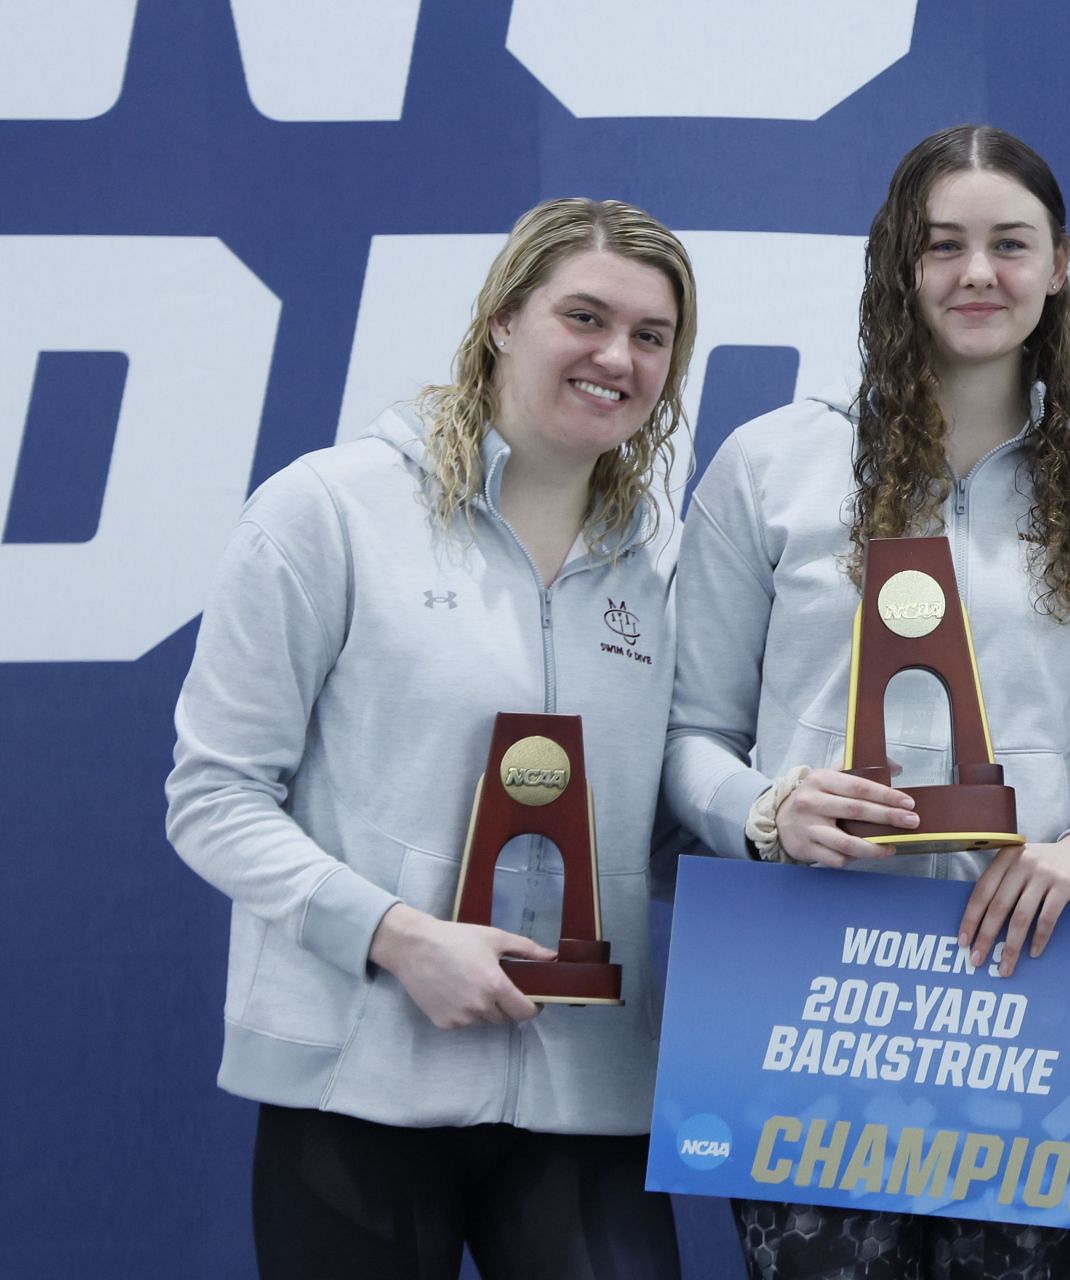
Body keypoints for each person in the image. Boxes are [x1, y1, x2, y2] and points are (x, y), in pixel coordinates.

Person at [665, 124, 1070, 1279]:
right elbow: (685, 737)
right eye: (942, 245)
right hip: (811, 995)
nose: (977, 274)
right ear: (897, 266)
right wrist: (766, 813)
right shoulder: (770, 466)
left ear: (1061, 266)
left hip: (1028, 1004)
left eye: (1011, 244)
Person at [165, 197, 696, 1279]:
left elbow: (670, 822)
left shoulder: (669, 561)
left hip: (588, 1094)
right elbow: (213, 796)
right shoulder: (329, 510)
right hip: (359, 1077)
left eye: (652, 336)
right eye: (584, 316)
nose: (617, 357)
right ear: (503, 317)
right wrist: (399, 935)